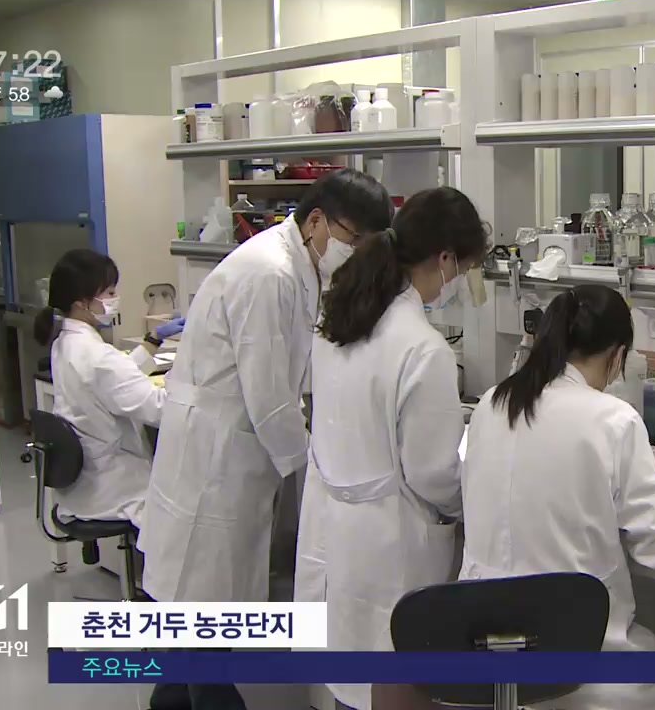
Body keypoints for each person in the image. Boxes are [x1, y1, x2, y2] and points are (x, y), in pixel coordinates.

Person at [138, 169, 393, 710]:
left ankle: (174, 698)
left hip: (229, 450)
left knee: (197, 609)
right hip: (216, 457)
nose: (355, 254)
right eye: (353, 240)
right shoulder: (269, 273)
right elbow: (270, 397)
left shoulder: (300, 264)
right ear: (317, 220)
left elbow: (299, 362)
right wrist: (319, 464)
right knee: (205, 608)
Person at [459, 284, 655, 710]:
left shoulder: (492, 403)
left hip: (487, 658)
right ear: (618, 356)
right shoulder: (613, 420)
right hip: (580, 670)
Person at [295, 186, 490, 710]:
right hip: (391, 542)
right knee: (391, 682)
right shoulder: (423, 348)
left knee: (350, 674)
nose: (461, 281)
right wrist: (472, 498)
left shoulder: (339, 316)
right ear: (445, 259)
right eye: (466, 268)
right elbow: (432, 474)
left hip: (336, 524)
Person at [32, 249, 167, 527]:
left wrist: (152, 341)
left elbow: (111, 382)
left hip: (81, 487)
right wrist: (187, 375)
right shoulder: (98, 356)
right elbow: (158, 408)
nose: (115, 299)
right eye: (109, 293)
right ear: (82, 303)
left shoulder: (65, 342)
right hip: (115, 489)